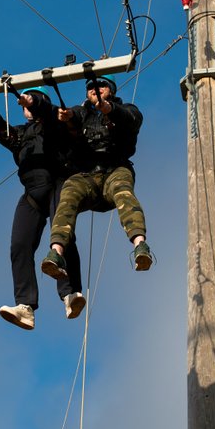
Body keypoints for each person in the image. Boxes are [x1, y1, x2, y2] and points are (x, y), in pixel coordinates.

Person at [0, 86, 86, 331]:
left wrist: (34, 99)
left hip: (58, 185)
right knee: (19, 245)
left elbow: (49, 117)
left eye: (30, 104)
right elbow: (8, 135)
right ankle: (25, 306)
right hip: (31, 194)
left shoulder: (56, 126)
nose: (26, 108)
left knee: (62, 236)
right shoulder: (22, 134)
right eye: (25, 104)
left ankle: (70, 293)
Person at [41, 74, 154, 280]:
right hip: (87, 175)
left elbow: (132, 119)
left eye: (102, 85)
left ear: (111, 89)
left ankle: (140, 245)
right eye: (92, 87)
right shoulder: (80, 112)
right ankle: (56, 252)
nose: (96, 89)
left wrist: (110, 110)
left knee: (123, 192)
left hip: (115, 169)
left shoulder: (127, 110)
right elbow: (70, 116)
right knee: (67, 196)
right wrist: (64, 119)